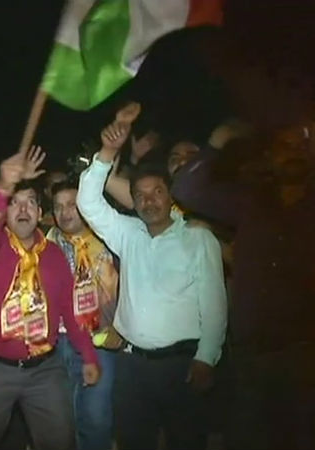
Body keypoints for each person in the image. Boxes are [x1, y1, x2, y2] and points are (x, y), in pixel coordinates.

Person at [77, 115, 227, 450]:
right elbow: (88, 203)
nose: (149, 201)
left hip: (182, 365)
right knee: (133, 441)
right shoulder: (128, 233)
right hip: (132, 367)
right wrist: (107, 152)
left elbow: (214, 304)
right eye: (140, 195)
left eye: (157, 192)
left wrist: (206, 358)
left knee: (186, 442)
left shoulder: (197, 238)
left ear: (170, 195)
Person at [171, 120, 315, 450]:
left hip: (306, 352)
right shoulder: (250, 201)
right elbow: (186, 189)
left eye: (301, 145)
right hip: (254, 353)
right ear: (270, 157)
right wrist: (216, 142)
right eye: (285, 146)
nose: (294, 152)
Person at [0, 146, 100, 450]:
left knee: (60, 442)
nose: (23, 210)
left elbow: (69, 310)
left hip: (45, 371)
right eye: (15, 203)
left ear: (40, 213)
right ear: (5, 213)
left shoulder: (54, 255)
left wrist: (88, 355)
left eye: (31, 203)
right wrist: (3, 187)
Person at [47, 178, 119, 450]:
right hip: (55, 344)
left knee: (96, 419)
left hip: (98, 340)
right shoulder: (44, 245)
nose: (65, 212)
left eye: (72, 205)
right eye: (58, 206)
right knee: (61, 421)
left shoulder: (109, 240)